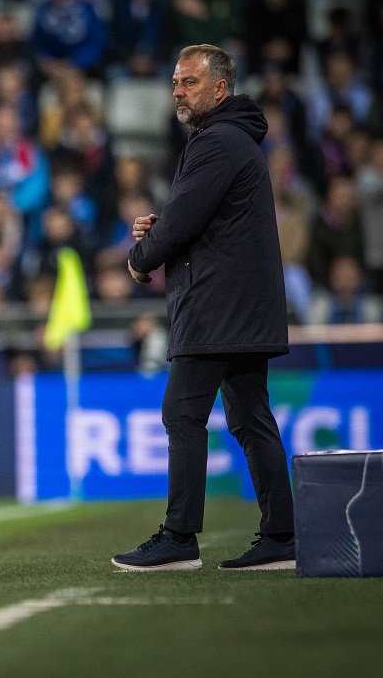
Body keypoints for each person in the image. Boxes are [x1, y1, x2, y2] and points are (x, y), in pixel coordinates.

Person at [113, 44, 296, 572]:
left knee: (183, 413)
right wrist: (162, 232)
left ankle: (179, 537)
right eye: (175, 82)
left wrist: (142, 256)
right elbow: (196, 219)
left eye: (189, 82)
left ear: (220, 89)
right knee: (249, 417)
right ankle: (282, 535)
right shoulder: (231, 141)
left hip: (218, 309)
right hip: (242, 308)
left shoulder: (217, 142)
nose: (178, 91)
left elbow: (184, 220)